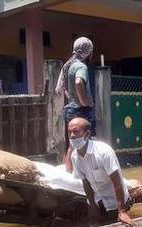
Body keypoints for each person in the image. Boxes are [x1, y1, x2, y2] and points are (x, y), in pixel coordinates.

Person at [68, 117, 136, 227]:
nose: (72, 136)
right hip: (99, 200)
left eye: (76, 132)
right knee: (93, 226)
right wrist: (92, 205)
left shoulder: (103, 152)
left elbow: (117, 182)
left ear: (87, 134)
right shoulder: (75, 156)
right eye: (69, 132)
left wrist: (122, 211)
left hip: (116, 201)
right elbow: (86, 182)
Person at [56, 37, 95, 173]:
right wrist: (84, 102)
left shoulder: (68, 66)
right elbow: (78, 82)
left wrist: (73, 98)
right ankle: (81, 175)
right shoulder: (80, 66)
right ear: (88, 52)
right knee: (82, 146)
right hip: (80, 111)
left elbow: (64, 89)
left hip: (70, 110)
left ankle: (68, 173)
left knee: (71, 146)